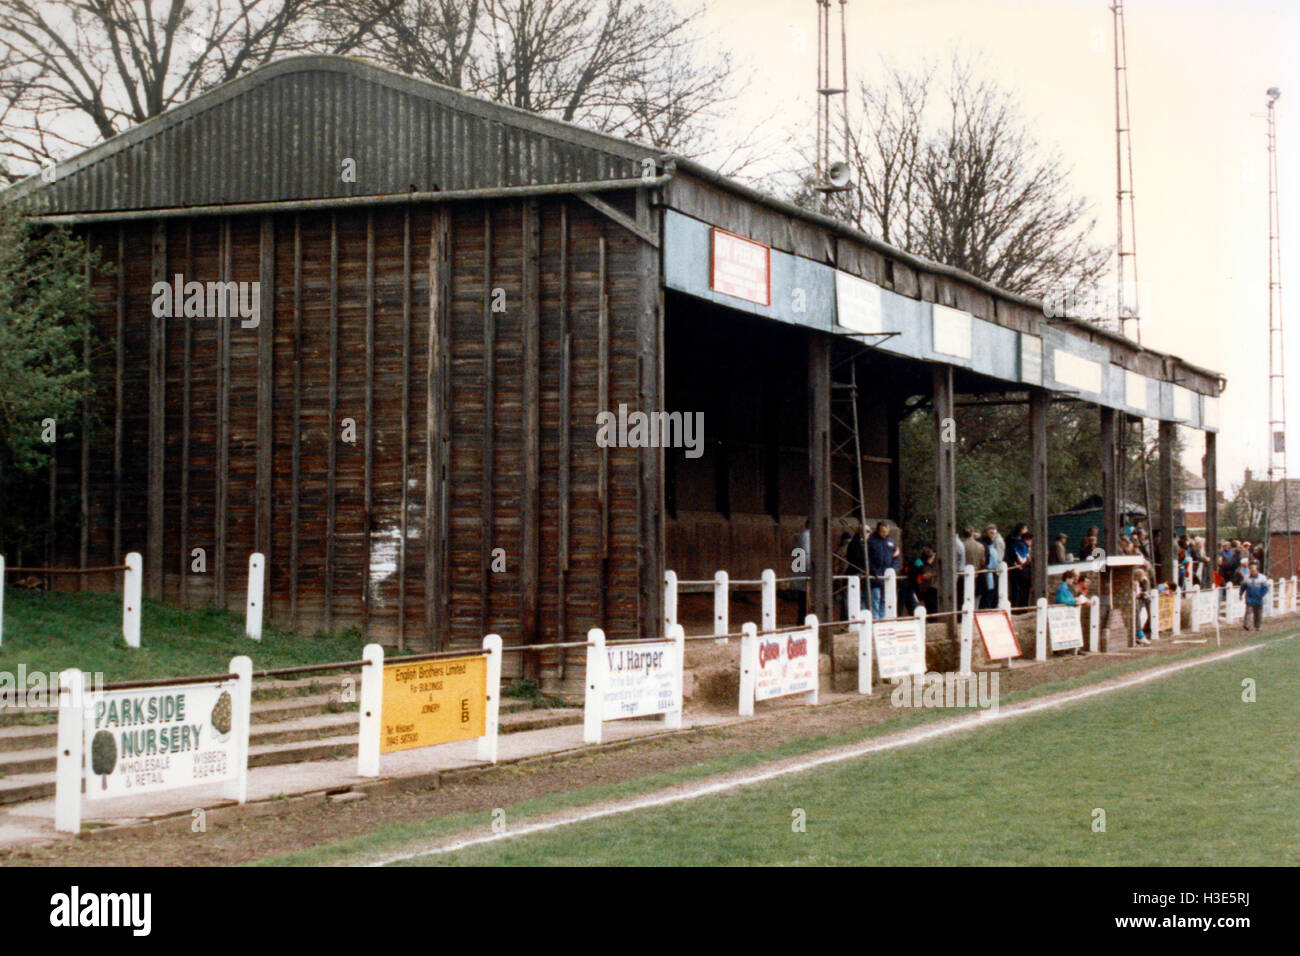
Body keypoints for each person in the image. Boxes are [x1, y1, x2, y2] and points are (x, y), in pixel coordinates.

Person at [866, 521, 900, 620]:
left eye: (886, 531)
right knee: (875, 598)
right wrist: (872, 571)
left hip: (887, 575)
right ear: (878, 530)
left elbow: (896, 557)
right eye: (882, 531)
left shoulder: (891, 542)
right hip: (875, 575)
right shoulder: (871, 541)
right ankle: (875, 618)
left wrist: (894, 569)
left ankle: (883, 617)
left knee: (885, 599)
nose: (884, 534)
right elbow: (867, 558)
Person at [1240, 562, 1271, 631]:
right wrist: (1240, 594)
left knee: (1258, 613)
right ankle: (1246, 624)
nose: (1252, 571)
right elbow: (1243, 587)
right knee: (1248, 611)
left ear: (1257, 570)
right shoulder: (1246, 578)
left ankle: (1257, 626)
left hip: (1258, 598)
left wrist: (1261, 594)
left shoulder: (1262, 578)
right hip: (1249, 598)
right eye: (1251, 570)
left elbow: (1265, 588)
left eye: (1253, 570)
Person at [907, 547, 938, 614]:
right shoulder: (919, 563)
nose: (933, 560)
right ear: (928, 558)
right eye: (932, 558)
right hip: (910, 585)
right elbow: (921, 574)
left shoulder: (920, 562)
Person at [1008, 525, 1032, 608]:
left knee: (1019, 590)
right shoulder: (1019, 544)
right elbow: (1022, 559)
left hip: (1020, 570)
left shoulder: (1017, 543)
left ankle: (1019, 606)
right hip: (1021, 571)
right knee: (1021, 590)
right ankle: (1020, 607)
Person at [980, 525, 1002, 609]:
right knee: (989, 591)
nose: (992, 534)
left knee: (991, 591)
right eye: (991, 532)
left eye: (994, 532)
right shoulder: (987, 545)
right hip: (989, 570)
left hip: (992, 571)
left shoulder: (995, 543)